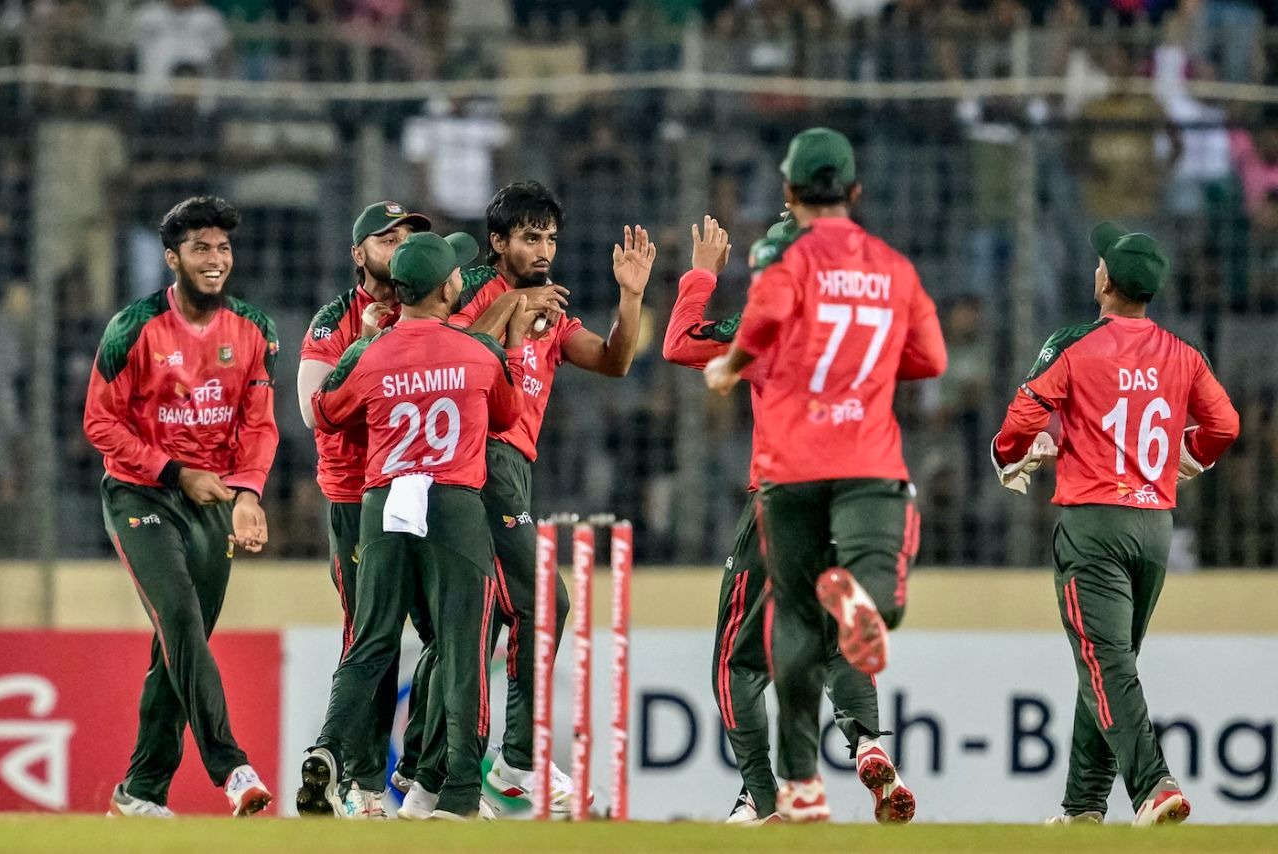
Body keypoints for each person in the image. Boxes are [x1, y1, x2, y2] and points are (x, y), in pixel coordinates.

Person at [704, 128, 947, 822]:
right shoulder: (893, 267)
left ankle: (800, 785)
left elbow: (764, 316)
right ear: (856, 191)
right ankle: (864, 614)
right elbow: (931, 359)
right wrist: (872, 370)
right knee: (874, 597)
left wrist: (733, 361)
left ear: (788, 190)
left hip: (790, 467)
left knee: (791, 624)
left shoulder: (789, 260)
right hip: (867, 460)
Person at [403, 181, 655, 816]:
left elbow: (614, 361)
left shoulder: (553, 311)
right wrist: (514, 305)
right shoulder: (472, 290)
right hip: (477, 458)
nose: (543, 250)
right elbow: (445, 351)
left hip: (513, 468)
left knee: (479, 621)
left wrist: (630, 297)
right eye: (529, 237)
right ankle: (516, 761)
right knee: (545, 602)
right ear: (498, 241)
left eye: (550, 239)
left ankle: (425, 781)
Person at [991, 223, 1239, 826]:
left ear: (1106, 281)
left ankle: (1153, 786)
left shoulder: (1074, 343)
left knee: (1105, 665)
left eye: (1100, 261)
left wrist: (1009, 454)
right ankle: (1082, 808)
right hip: (1153, 527)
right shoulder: (1184, 354)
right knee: (1108, 664)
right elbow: (1225, 425)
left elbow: (1022, 417)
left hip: (1094, 525)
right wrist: (1190, 456)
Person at [293, 202, 523, 818]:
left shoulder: (372, 350)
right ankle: (455, 790)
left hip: (383, 497)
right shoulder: (475, 350)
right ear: (447, 288)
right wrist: (505, 346)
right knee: (462, 644)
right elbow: (507, 416)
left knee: (370, 640)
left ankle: (329, 749)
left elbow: (324, 411)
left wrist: (366, 350)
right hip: (451, 500)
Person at [83, 195, 279, 817]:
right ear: (172, 258)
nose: (215, 259)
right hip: (140, 494)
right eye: (200, 248)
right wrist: (174, 471)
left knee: (178, 644)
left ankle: (140, 792)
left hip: (213, 499)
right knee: (180, 620)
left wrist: (247, 493)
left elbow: (259, 424)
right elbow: (99, 423)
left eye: (223, 247)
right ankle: (233, 768)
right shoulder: (133, 327)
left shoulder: (253, 329)